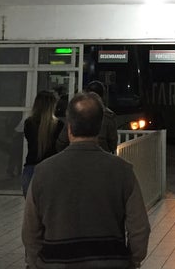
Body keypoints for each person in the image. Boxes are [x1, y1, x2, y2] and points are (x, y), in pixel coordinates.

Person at [22, 91, 150, 269]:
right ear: (99, 127)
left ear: (69, 128)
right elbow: (140, 228)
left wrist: (36, 263)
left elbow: (30, 231)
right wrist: (132, 260)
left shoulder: (43, 172)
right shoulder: (123, 171)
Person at [56, 81, 118, 154]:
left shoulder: (75, 111)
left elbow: (61, 142)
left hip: (74, 155)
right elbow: (113, 144)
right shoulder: (109, 116)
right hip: (101, 156)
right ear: (103, 95)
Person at [22, 90, 64, 197]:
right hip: (52, 169)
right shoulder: (59, 125)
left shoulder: (29, 123)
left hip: (31, 169)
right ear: (53, 106)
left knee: (32, 205)